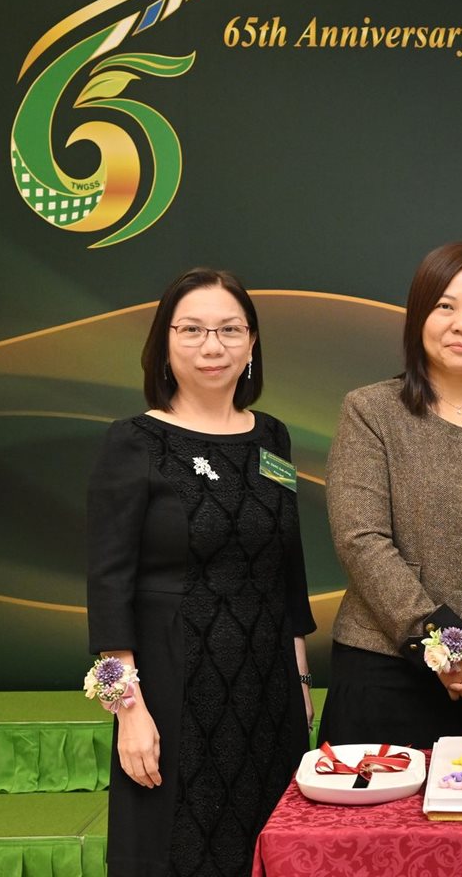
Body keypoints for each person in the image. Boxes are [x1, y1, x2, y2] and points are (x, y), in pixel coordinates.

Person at [87, 268, 315, 877]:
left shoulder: (272, 438)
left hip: (268, 694)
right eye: (191, 330)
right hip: (172, 692)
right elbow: (108, 588)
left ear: (251, 342)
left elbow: (287, 570)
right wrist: (127, 711)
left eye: (229, 330)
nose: (212, 345)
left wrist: (300, 685)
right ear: (164, 342)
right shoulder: (133, 442)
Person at [320, 242, 462, 748]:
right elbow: (361, 540)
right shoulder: (371, 411)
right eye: (445, 306)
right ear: (418, 316)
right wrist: (446, 646)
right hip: (386, 677)